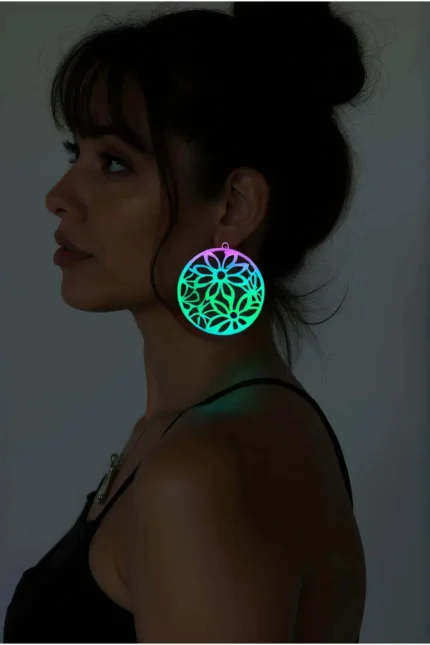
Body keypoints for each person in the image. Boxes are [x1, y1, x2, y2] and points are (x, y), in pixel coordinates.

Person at [4, 2, 369, 642]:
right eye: (75, 151)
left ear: (233, 206)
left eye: (113, 162)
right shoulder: (204, 431)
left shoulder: (203, 471)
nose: (58, 196)